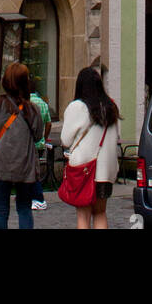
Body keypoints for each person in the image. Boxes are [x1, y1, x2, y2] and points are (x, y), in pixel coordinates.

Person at [0, 62, 43, 230]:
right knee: (24, 209)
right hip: (25, 164)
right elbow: (38, 136)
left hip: (2, 164)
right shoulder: (33, 109)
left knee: (1, 211)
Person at [60, 67, 121, 230]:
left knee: (83, 215)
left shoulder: (78, 107)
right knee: (100, 213)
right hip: (106, 171)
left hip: (84, 168)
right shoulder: (111, 106)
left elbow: (65, 140)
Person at [28, 78, 53, 211]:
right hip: (39, 143)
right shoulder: (43, 103)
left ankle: (38, 198)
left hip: (27, 144)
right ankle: (31, 196)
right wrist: (45, 137)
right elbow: (49, 122)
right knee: (33, 170)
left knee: (31, 172)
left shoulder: (26, 103)